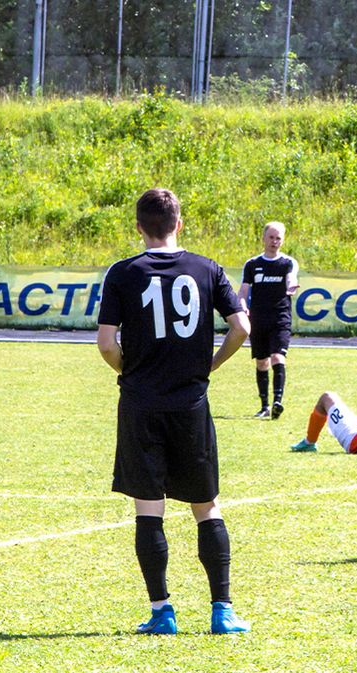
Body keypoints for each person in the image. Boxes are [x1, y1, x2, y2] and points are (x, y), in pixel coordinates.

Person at [96, 188, 253, 635]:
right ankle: (222, 611)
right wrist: (210, 364)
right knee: (207, 507)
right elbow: (241, 326)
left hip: (141, 404)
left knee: (149, 508)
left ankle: (162, 611)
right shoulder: (207, 269)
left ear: (139, 227)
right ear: (179, 224)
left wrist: (129, 371)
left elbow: (106, 344)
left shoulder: (123, 273)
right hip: (190, 404)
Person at [238, 221, 299, 420]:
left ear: (283, 240)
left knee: (277, 357)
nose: (274, 241)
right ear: (263, 238)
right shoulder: (252, 264)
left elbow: (290, 278)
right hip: (258, 319)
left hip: (280, 318)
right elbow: (243, 290)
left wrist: (292, 286)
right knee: (262, 362)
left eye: (278, 238)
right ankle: (264, 406)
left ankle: (277, 402)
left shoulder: (287, 262)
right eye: (271, 237)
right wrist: (242, 305)